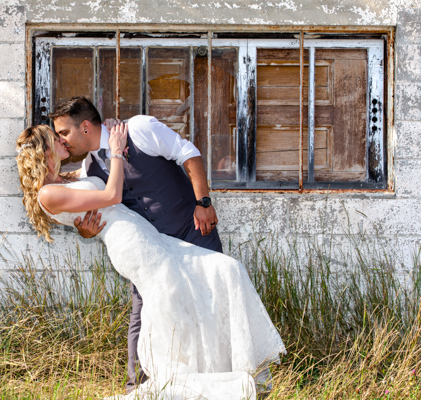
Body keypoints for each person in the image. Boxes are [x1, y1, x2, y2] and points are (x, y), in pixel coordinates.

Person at [15, 123, 286, 400]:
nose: (63, 140)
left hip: (148, 237)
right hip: (131, 244)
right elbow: (112, 196)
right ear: (45, 150)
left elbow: (92, 206)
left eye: (63, 132)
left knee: (226, 269)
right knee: (170, 304)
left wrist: (84, 228)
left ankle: (230, 368)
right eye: (55, 137)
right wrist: (117, 152)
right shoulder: (47, 193)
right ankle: (182, 385)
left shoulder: (71, 176)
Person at [47, 97, 223, 393]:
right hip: (150, 252)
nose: (61, 141)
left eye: (64, 133)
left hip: (191, 229)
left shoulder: (139, 129)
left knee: (211, 300)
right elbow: (102, 208)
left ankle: (218, 376)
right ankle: (137, 389)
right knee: (142, 315)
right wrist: (87, 232)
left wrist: (203, 202)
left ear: (86, 127)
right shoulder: (91, 167)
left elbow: (188, 153)